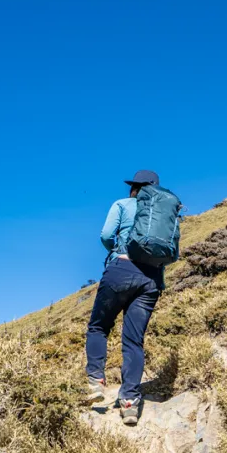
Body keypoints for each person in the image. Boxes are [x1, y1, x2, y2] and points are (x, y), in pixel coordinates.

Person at [84, 170, 173, 426]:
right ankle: (130, 403)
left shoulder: (122, 205)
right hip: (152, 278)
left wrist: (117, 251)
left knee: (99, 327)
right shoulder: (165, 213)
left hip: (121, 269)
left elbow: (105, 235)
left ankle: (96, 382)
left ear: (134, 187)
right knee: (134, 341)